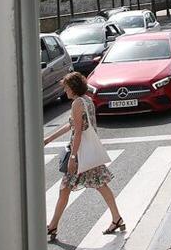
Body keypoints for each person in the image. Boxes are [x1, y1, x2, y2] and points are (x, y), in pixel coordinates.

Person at [43, 72, 124, 240]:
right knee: (100, 185)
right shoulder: (86, 100)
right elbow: (72, 125)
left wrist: (73, 157)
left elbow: (78, 132)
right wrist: (49, 139)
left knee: (65, 189)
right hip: (87, 152)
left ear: (73, 88)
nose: (65, 91)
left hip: (80, 154)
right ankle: (117, 218)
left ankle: (52, 226)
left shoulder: (77, 104)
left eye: (66, 88)